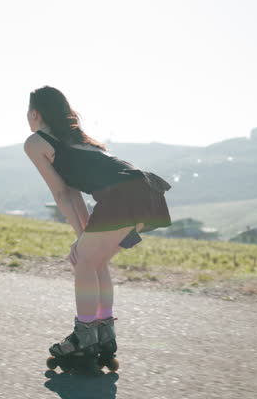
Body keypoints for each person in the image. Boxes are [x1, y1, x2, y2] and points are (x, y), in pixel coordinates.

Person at [24, 85, 172, 366]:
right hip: (146, 192)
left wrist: (82, 239)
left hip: (123, 195)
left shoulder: (35, 142)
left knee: (85, 263)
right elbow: (73, 193)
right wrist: (83, 236)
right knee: (94, 262)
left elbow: (61, 193)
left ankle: (84, 337)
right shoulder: (78, 140)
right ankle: (104, 333)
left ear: (35, 113)